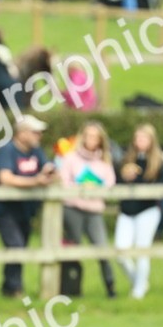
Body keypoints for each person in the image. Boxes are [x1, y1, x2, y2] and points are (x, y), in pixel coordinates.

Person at [0, 115, 56, 298]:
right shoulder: (7, 151)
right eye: (35, 132)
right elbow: (5, 178)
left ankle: (8, 287)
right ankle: (15, 289)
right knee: (16, 246)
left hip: (25, 209)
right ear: (22, 133)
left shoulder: (35, 151)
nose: (39, 136)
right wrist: (36, 181)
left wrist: (50, 172)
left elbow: (46, 167)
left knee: (20, 247)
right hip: (5, 209)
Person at [59, 121, 117, 298]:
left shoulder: (104, 160)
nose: (91, 139)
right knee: (72, 249)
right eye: (88, 135)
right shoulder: (70, 158)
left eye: (95, 136)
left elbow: (110, 183)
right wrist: (81, 188)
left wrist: (95, 189)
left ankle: (110, 287)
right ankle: (71, 289)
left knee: (102, 248)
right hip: (73, 208)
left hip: (94, 210)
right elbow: (64, 181)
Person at [114, 124, 163, 299]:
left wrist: (147, 186)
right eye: (137, 138)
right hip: (127, 210)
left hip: (147, 210)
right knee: (120, 252)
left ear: (151, 141)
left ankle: (138, 293)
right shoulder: (126, 159)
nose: (140, 142)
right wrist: (124, 177)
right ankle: (139, 281)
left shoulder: (158, 162)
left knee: (142, 250)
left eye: (144, 138)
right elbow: (115, 182)